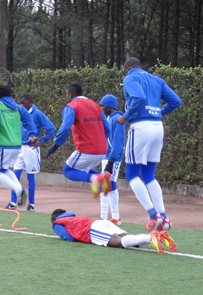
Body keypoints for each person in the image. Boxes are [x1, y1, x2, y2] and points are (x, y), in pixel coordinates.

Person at [117, 57, 182, 231]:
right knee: (148, 175)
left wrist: (126, 116)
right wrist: (159, 112)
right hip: (157, 127)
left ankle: (154, 215)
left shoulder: (130, 78)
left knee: (131, 173)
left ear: (128, 68)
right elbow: (176, 101)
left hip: (140, 127)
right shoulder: (157, 80)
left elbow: (138, 97)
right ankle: (165, 217)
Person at [46, 83, 111, 199]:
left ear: (70, 94)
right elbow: (107, 128)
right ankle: (101, 176)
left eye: (67, 95)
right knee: (84, 170)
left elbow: (66, 127)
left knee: (68, 170)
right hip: (102, 150)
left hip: (86, 149)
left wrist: (56, 145)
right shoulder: (96, 106)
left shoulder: (72, 106)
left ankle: (95, 178)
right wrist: (100, 141)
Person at [0, 85, 37, 207]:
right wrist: (31, 133)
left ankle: (19, 190)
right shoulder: (17, 107)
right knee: (4, 170)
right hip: (16, 145)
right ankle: (19, 189)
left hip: (3, 145)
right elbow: (28, 119)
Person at [6, 93, 56, 212]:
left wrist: (42, 141)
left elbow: (51, 128)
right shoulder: (19, 113)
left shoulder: (37, 114)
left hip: (31, 149)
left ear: (30, 102)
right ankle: (13, 203)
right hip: (19, 148)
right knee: (15, 175)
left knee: (30, 176)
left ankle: (31, 205)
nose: (21, 105)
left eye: (23, 103)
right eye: (20, 103)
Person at [51, 208, 177, 255]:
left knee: (119, 243)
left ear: (53, 219)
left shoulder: (57, 222)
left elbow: (69, 237)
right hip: (101, 222)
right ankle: (159, 237)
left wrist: (62, 236)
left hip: (91, 230)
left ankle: (151, 238)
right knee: (130, 239)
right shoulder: (72, 217)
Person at [99, 94, 126, 225]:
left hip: (112, 158)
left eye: (103, 105)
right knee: (110, 185)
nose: (101, 108)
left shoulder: (117, 120)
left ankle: (105, 216)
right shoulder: (110, 118)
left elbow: (119, 142)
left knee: (105, 185)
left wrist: (112, 160)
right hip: (107, 156)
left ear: (109, 106)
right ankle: (115, 216)